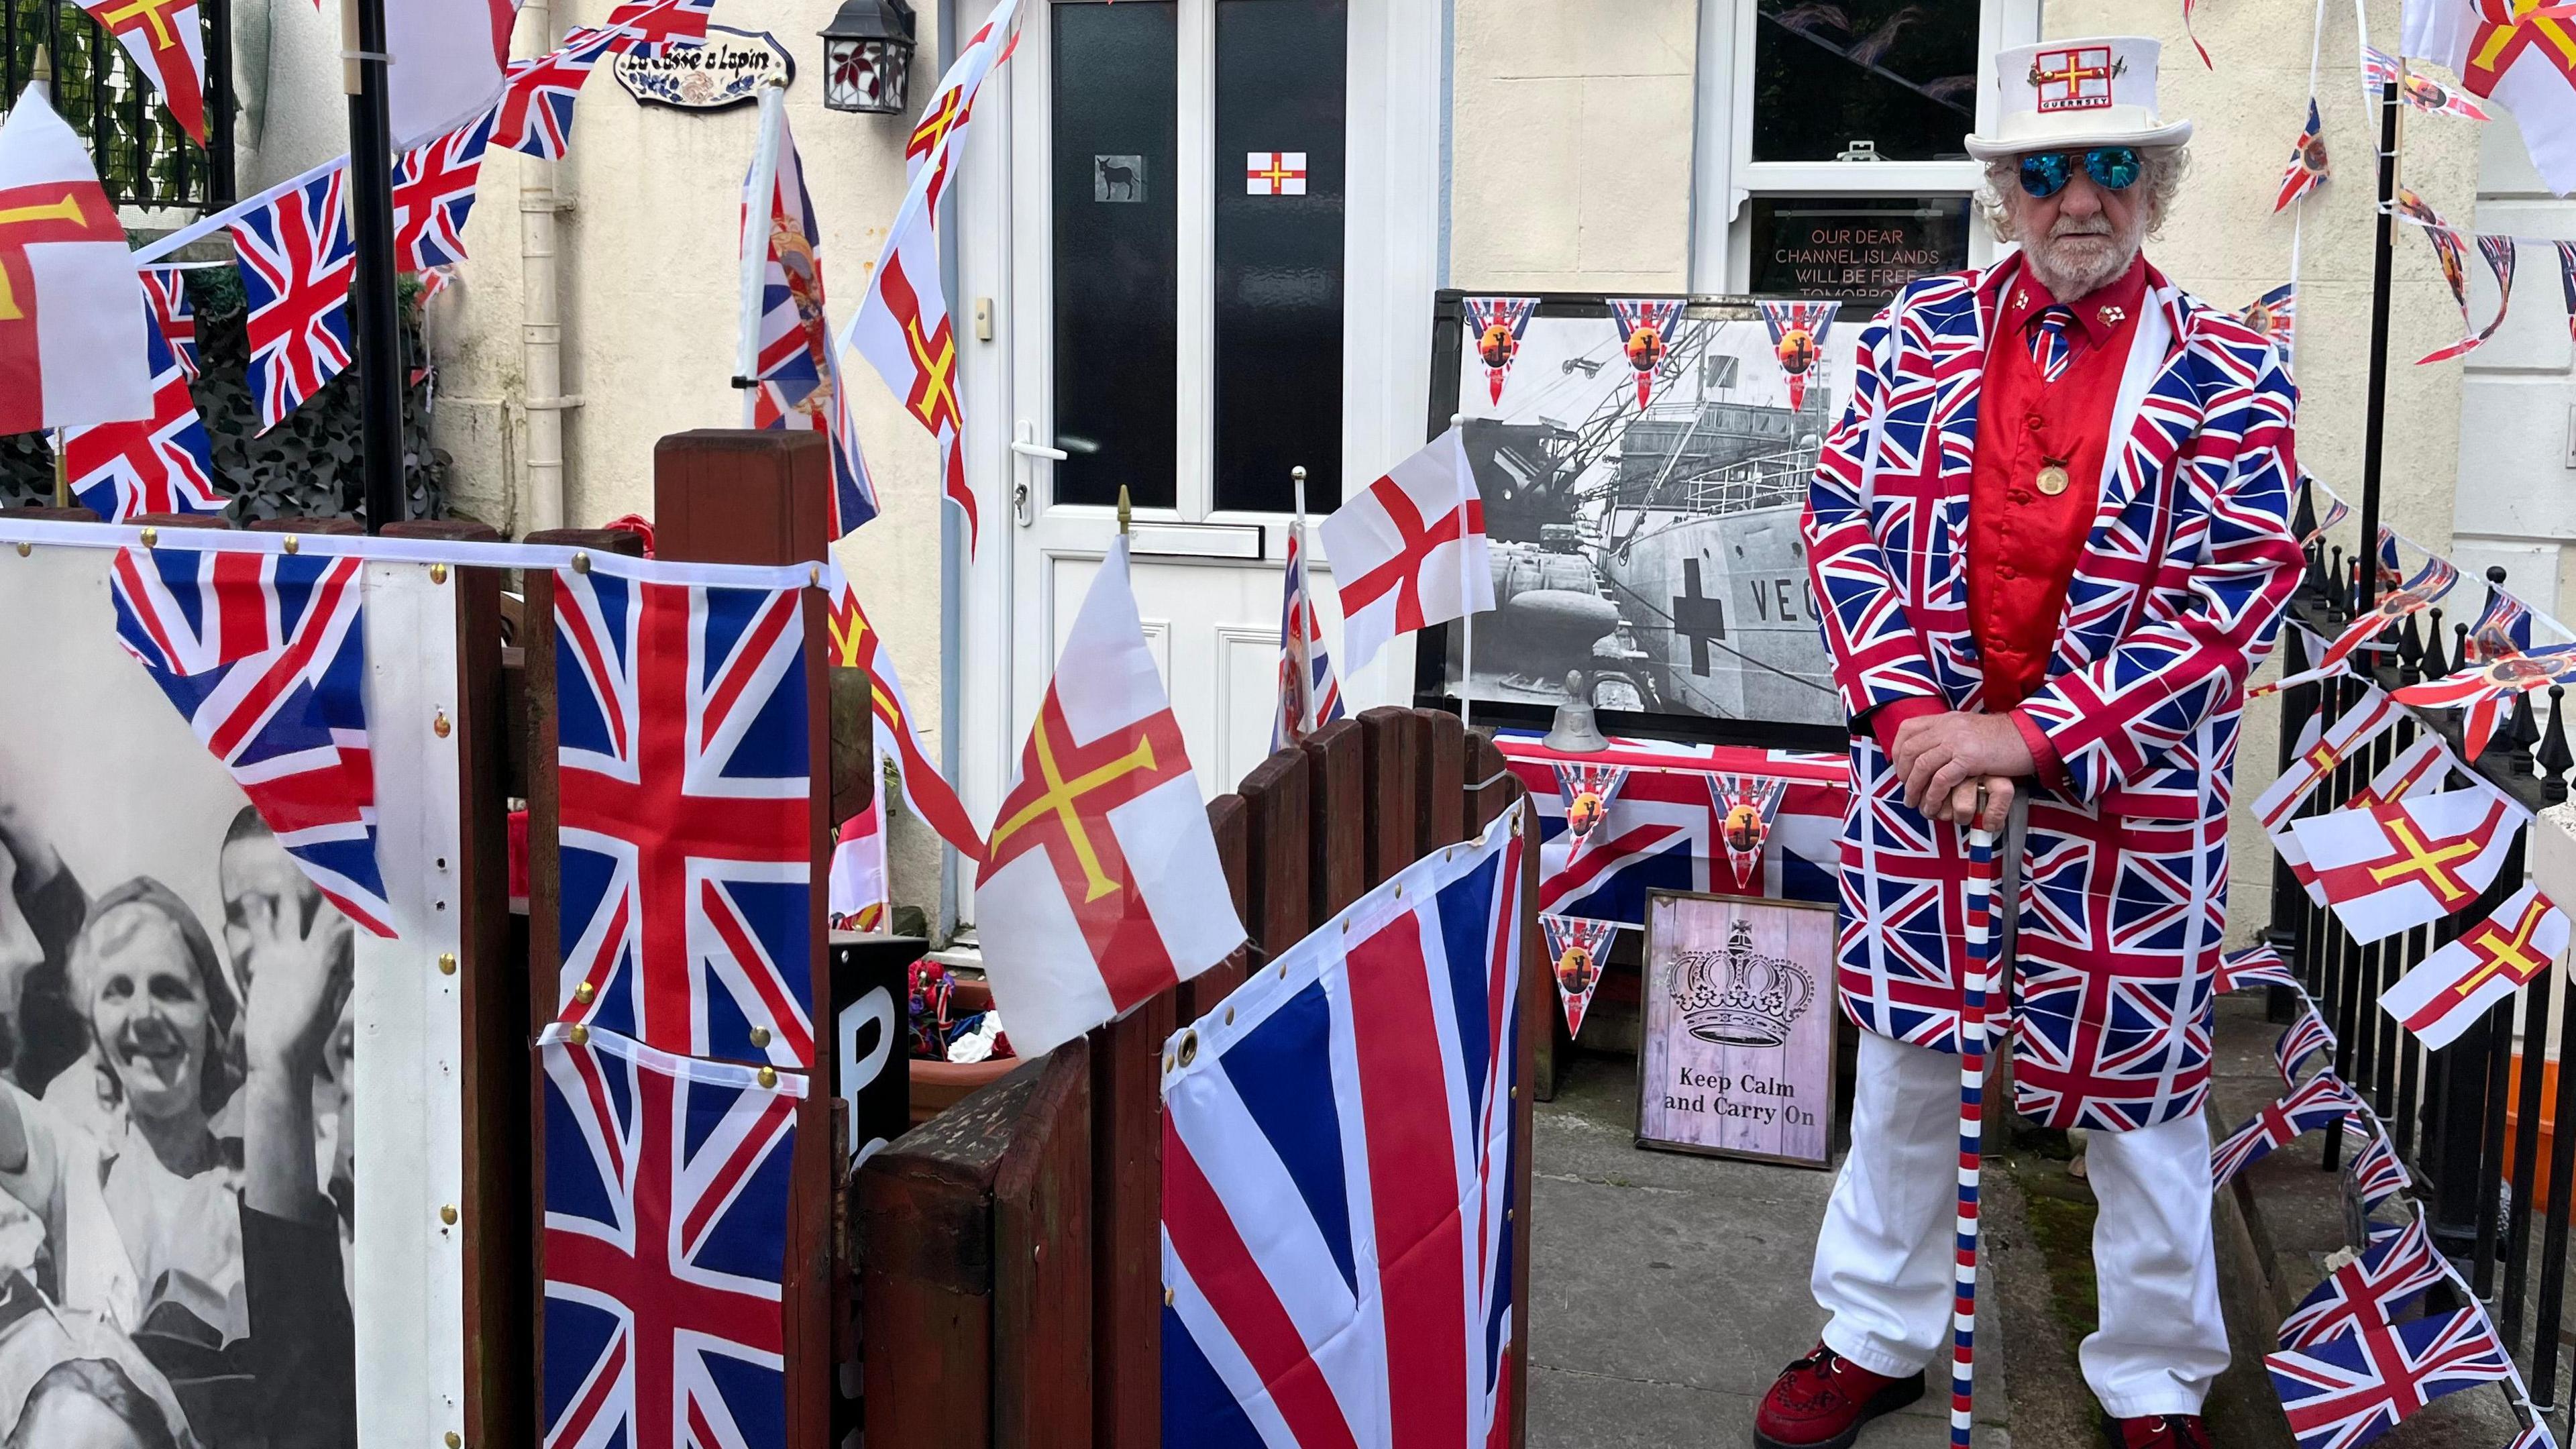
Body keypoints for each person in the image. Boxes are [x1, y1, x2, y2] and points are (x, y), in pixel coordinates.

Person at [1758, 36, 2304, 1449]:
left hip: (2129, 800)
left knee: (2141, 1098)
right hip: (1924, 777)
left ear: (2156, 188)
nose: (2081, 200)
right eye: (2049, 170)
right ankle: (1873, 1331)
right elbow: (1842, 524)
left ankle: (2156, 1375)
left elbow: (2234, 585)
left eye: (2113, 166)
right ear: (2006, 190)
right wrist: (1913, 721)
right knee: (1906, 1064)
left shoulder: (2235, 372)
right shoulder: (1913, 335)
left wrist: (2041, 735)